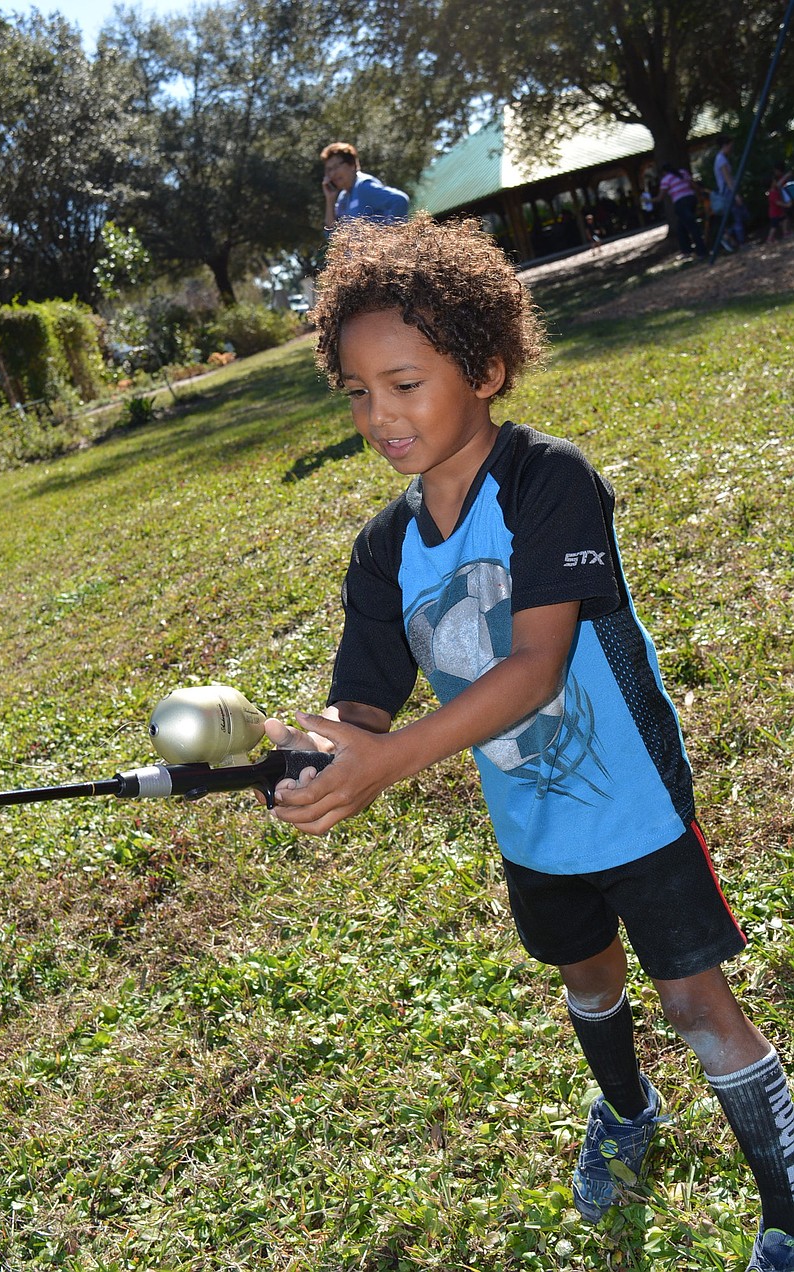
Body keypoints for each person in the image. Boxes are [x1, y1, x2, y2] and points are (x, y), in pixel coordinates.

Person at [264, 211, 794, 1272]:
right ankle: (628, 1113)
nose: (380, 415)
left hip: (634, 803)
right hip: (532, 823)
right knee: (586, 979)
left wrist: (387, 763)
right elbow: (360, 708)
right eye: (357, 392)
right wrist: (285, 748)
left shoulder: (549, 479)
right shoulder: (383, 549)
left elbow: (536, 666)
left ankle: (784, 1207)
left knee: (694, 1001)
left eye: (405, 383)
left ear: (487, 370)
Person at [320, 142, 409, 232]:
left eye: (336, 167)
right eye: (329, 169)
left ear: (352, 165)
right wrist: (330, 199)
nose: (332, 174)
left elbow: (399, 200)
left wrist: (391, 235)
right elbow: (332, 233)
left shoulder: (363, 187)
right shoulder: (343, 197)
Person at [655, 163, 707, 257]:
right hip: (691, 199)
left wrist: (650, 200)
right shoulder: (683, 173)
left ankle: (701, 251)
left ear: (664, 172)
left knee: (692, 226)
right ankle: (687, 250)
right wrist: (699, 193)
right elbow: (693, 185)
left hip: (680, 203)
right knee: (681, 227)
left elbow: (660, 197)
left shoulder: (666, 179)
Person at [714, 136, 749, 251]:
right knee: (738, 216)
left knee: (739, 215)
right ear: (725, 145)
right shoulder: (721, 160)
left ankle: (730, 236)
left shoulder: (721, 158)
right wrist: (736, 194)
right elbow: (728, 179)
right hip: (729, 193)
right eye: (730, 146)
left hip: (728, 192)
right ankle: (735, 239)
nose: (731, 148)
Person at [766, 164, 793, 243]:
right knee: (774, 226)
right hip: (775, 213)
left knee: (784, 220)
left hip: (778, 212)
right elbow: (777, 202)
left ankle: (785, 233)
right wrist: (786, 205)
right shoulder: (772, 193)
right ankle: (770, 238)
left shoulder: (774, 191)